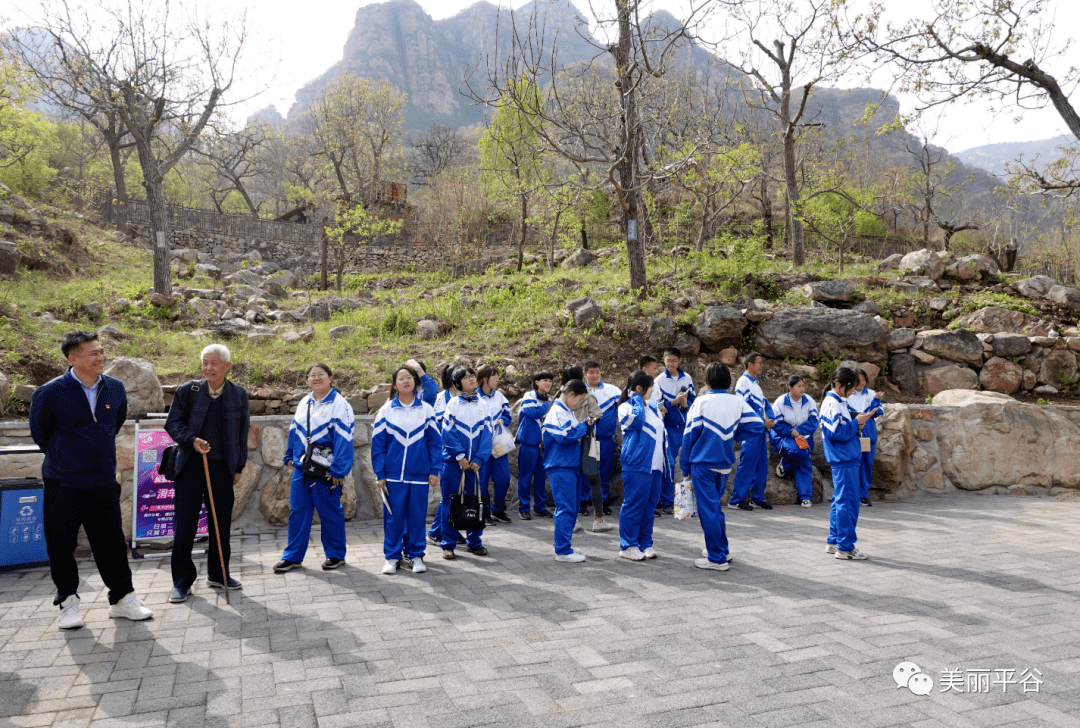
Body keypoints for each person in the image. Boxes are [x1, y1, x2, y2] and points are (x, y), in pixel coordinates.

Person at [29, 331, 152, 629]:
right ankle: (68, 602)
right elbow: (41, 433)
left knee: (110, 542)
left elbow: (114, 422)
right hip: (63, 482)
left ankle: (123, 599)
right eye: (93, 353)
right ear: (73, 359)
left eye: (101, 351)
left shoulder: (115, 389)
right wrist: (67, 457)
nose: (101, 357)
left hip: (102, 481)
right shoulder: (49, 392)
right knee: (61, 544)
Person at [164, 343, 251, 602]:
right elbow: (173, 423)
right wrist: (191, 439)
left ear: (226, 366)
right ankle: (181, 581)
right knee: (185, 525)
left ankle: (219, 574)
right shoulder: (187, 391)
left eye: (214, 363)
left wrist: (238, 467)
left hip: (221, 468)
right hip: (191, 465)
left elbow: (242, 433)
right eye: (205, 363)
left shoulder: (238, 394)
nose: (208, 368)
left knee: (220, 525)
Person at [274, 363, 355, 573]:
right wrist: (290, 455)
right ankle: (292, 557)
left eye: (321, 374)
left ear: (331, 377)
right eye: (312, 375)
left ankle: (336, 554)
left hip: (327, 469)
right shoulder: (305, 401)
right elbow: (295, 430)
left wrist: (339, 470)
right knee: (298, 511)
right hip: (303, 467)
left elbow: (344, 440)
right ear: (307, 379)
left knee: (329, 511)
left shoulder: (340, 405)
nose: (316, 378)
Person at [681, 363, 763, 571]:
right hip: (725, 464)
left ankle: (716, 558)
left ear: (707, 381)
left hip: (702, 464)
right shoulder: (738, 401)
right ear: (728, 381)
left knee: (708, 510)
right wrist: (734, 435)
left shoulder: (701, 402)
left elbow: (689, 437)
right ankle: (722, 549)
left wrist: (685, 468)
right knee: (715, 508)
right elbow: (758, 425)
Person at [372, 365, 442, 575]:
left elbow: (435, 443)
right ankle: (392, 557)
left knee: (417, 516)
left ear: (414, 382)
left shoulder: (426, 410)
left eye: (409, 377)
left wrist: (434, 469)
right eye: (401, 378)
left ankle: (416, 555)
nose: (406, 381)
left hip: (420, 475)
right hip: (393, 476)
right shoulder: (386, 411)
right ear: (394, 385)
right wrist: (381, 473)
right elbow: (378, 446)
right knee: (393, 517)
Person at [438, 366, 493, 559]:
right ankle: (448, 544)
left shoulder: (483, 404)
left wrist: (479, 458)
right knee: (450, 502)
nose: (470, 379)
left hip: (478, 464)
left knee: (476, 501)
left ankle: (474, 542)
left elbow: (488, 433)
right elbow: (447, 433)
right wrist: (460, 456)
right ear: (457, 383)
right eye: (465, 377)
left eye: (472, 376)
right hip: (454, 463)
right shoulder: (452, 404)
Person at [821, 368, 874, 560]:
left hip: (845, 459)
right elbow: (837, 433)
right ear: (838, 385)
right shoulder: (832, 403)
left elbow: (840, 427)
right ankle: (845, 547)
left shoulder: (837, 401)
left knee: (840, 501)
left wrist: (855, 420)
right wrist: (855, 423)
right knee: (848, 503)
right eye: (851, 387)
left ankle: (835, 541)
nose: (854, 390)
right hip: (844, 459)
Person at [617, 370, 669, 561]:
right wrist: (637, 399)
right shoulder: (625, 407)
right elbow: (637, 422)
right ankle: (627, 545)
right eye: (650, 387)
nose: (653, 390)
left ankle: (645, 542)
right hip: (637, 463)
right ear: (639, 388)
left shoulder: (651, 408)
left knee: (649, 505)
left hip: (655, 465)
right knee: (633, 505)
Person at [543, 380, 593, 563]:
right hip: (561, 465)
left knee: (570, 507)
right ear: (570, 394)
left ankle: (565, 544)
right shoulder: (557, 411)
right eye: (579, 399)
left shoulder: (566, 411)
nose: (580, 403)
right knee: (565, 507)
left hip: (569, 465)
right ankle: (562, 550)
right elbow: (565, 436)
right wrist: (584, 426)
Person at [729, 352, 775, 511]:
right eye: (759, 363)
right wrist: (763, 422)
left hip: (761, 430)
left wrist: (771, 419)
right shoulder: (743, 382)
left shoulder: (755, 384)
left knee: (762, 465)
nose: (761, 366)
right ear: (750, 364)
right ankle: (736, 500)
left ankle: (757, 498)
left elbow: (764, 405)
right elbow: (742, 406)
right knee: (747, 464)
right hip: (751, 430)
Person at [426, 366, 464, 547]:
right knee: (449, 495)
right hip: (448, 453)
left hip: (465, 454)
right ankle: (436, 531)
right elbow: (441, 426)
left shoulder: (468, 398)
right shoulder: (442, 398)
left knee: (458, 495)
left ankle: (450, 528)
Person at [655, 347, 695, 515]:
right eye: (667, 360)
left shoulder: (687, 378)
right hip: (668, 428)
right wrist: (674, 401)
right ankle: (666, 501)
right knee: (669, 464)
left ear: (679, 361)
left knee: (686, 463)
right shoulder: (658, 381)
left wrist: (685, 404)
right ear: (663, 360)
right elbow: (656, 406)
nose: (670, 363)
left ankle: (686, 503)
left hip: (685, 427)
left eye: (673, 360)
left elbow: (693, 401)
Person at [770, 375, 820, 508]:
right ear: (790, 388)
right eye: (799, 386)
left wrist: (800, 431)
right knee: (801, 452)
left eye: (803, 385)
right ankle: (805, 495)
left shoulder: (809, 400)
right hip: (783, 436)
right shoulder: (781, 402)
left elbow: (814, 420)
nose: (802, 389)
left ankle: (785, 466)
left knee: (803, 456)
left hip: (802, 436)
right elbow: (776, 423)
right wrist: (792, 432)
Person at [583, 361, 621, 514]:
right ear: (585, 374)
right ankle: (584, 502)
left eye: (597, 372)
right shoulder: (579, 391)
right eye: (591, 372)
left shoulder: (612, 390)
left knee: (604, 472)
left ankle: (603, 501)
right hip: (588, 439)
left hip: (606, 439)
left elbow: (626, 406)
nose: (595, 375)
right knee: (588, 471)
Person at [515, 370, 553, 520]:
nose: (548, 383)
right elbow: (532, 411)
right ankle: (524, 508)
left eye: (550, 381)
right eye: (545, 380)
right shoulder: (529, 396)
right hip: (528, 443)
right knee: (525, 477)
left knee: (540, 478)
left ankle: (540, 507)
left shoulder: (549, 399)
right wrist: (549, 405)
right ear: (537, 382)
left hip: (543, 445)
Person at [477, 365, 513, 524]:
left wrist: (503, 420)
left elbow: (508, 415)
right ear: (485, 379)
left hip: (498, 445)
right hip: (481, 446)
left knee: (504, 478)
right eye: (495, 377)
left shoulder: (500, 397)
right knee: (482, 481)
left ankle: (498, 510)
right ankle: (484, 512)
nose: (498, 380)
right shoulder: (475, 398)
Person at [846, 369, 884, 507]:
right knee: (852, 463)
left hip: (868, 433)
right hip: (852, 432)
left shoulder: (872, 394)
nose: (861, 383)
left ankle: (863, 494)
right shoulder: (846, 394)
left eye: (863, 380)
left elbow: (879, 411)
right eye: (859, 380)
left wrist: (876, 402)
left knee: (866, 464)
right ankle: (851, 494)